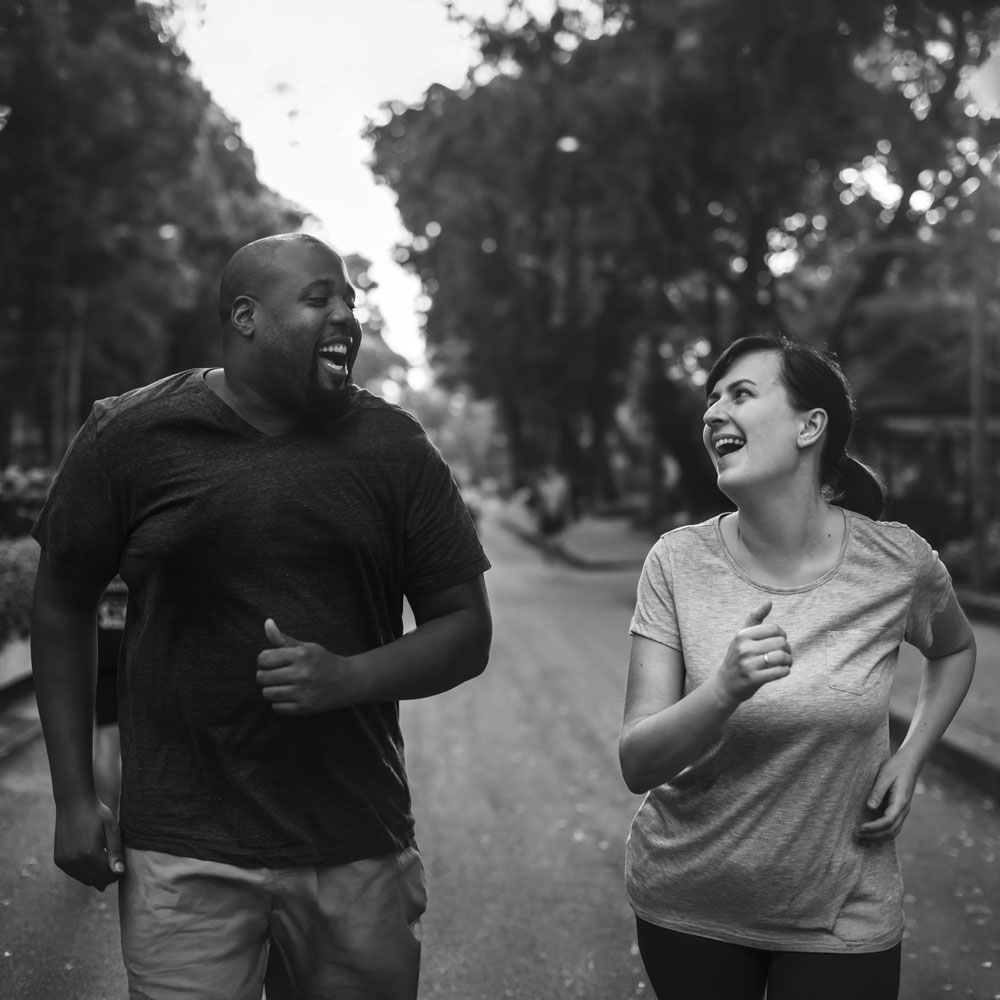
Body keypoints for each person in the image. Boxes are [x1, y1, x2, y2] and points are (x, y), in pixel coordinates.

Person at [30, 232, 493, 1000]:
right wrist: (75, 798)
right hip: (185, 852)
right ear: (246, 317)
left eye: (350, 301)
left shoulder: (396, 448)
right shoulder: (129, 435)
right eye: (319, 298)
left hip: (356, 847)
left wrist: (348, 677)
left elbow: (466, 630)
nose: (345, 316)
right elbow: (60, 602)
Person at [618, 334, 975, 1000]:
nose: (713, 413)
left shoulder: (896, 563)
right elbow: (637, 762)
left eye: (741, 394)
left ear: (811, 427)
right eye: (712, 400)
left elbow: (954, 649)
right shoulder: (675, 562)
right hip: (690, 905)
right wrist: (724, 689)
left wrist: (912, 756)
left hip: (845, 910)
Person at [93, 575, 127, 818]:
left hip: (102, 649)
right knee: (151, 741)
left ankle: (109, 822)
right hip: (139, 649)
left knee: (107, 738)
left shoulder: (97, 551)